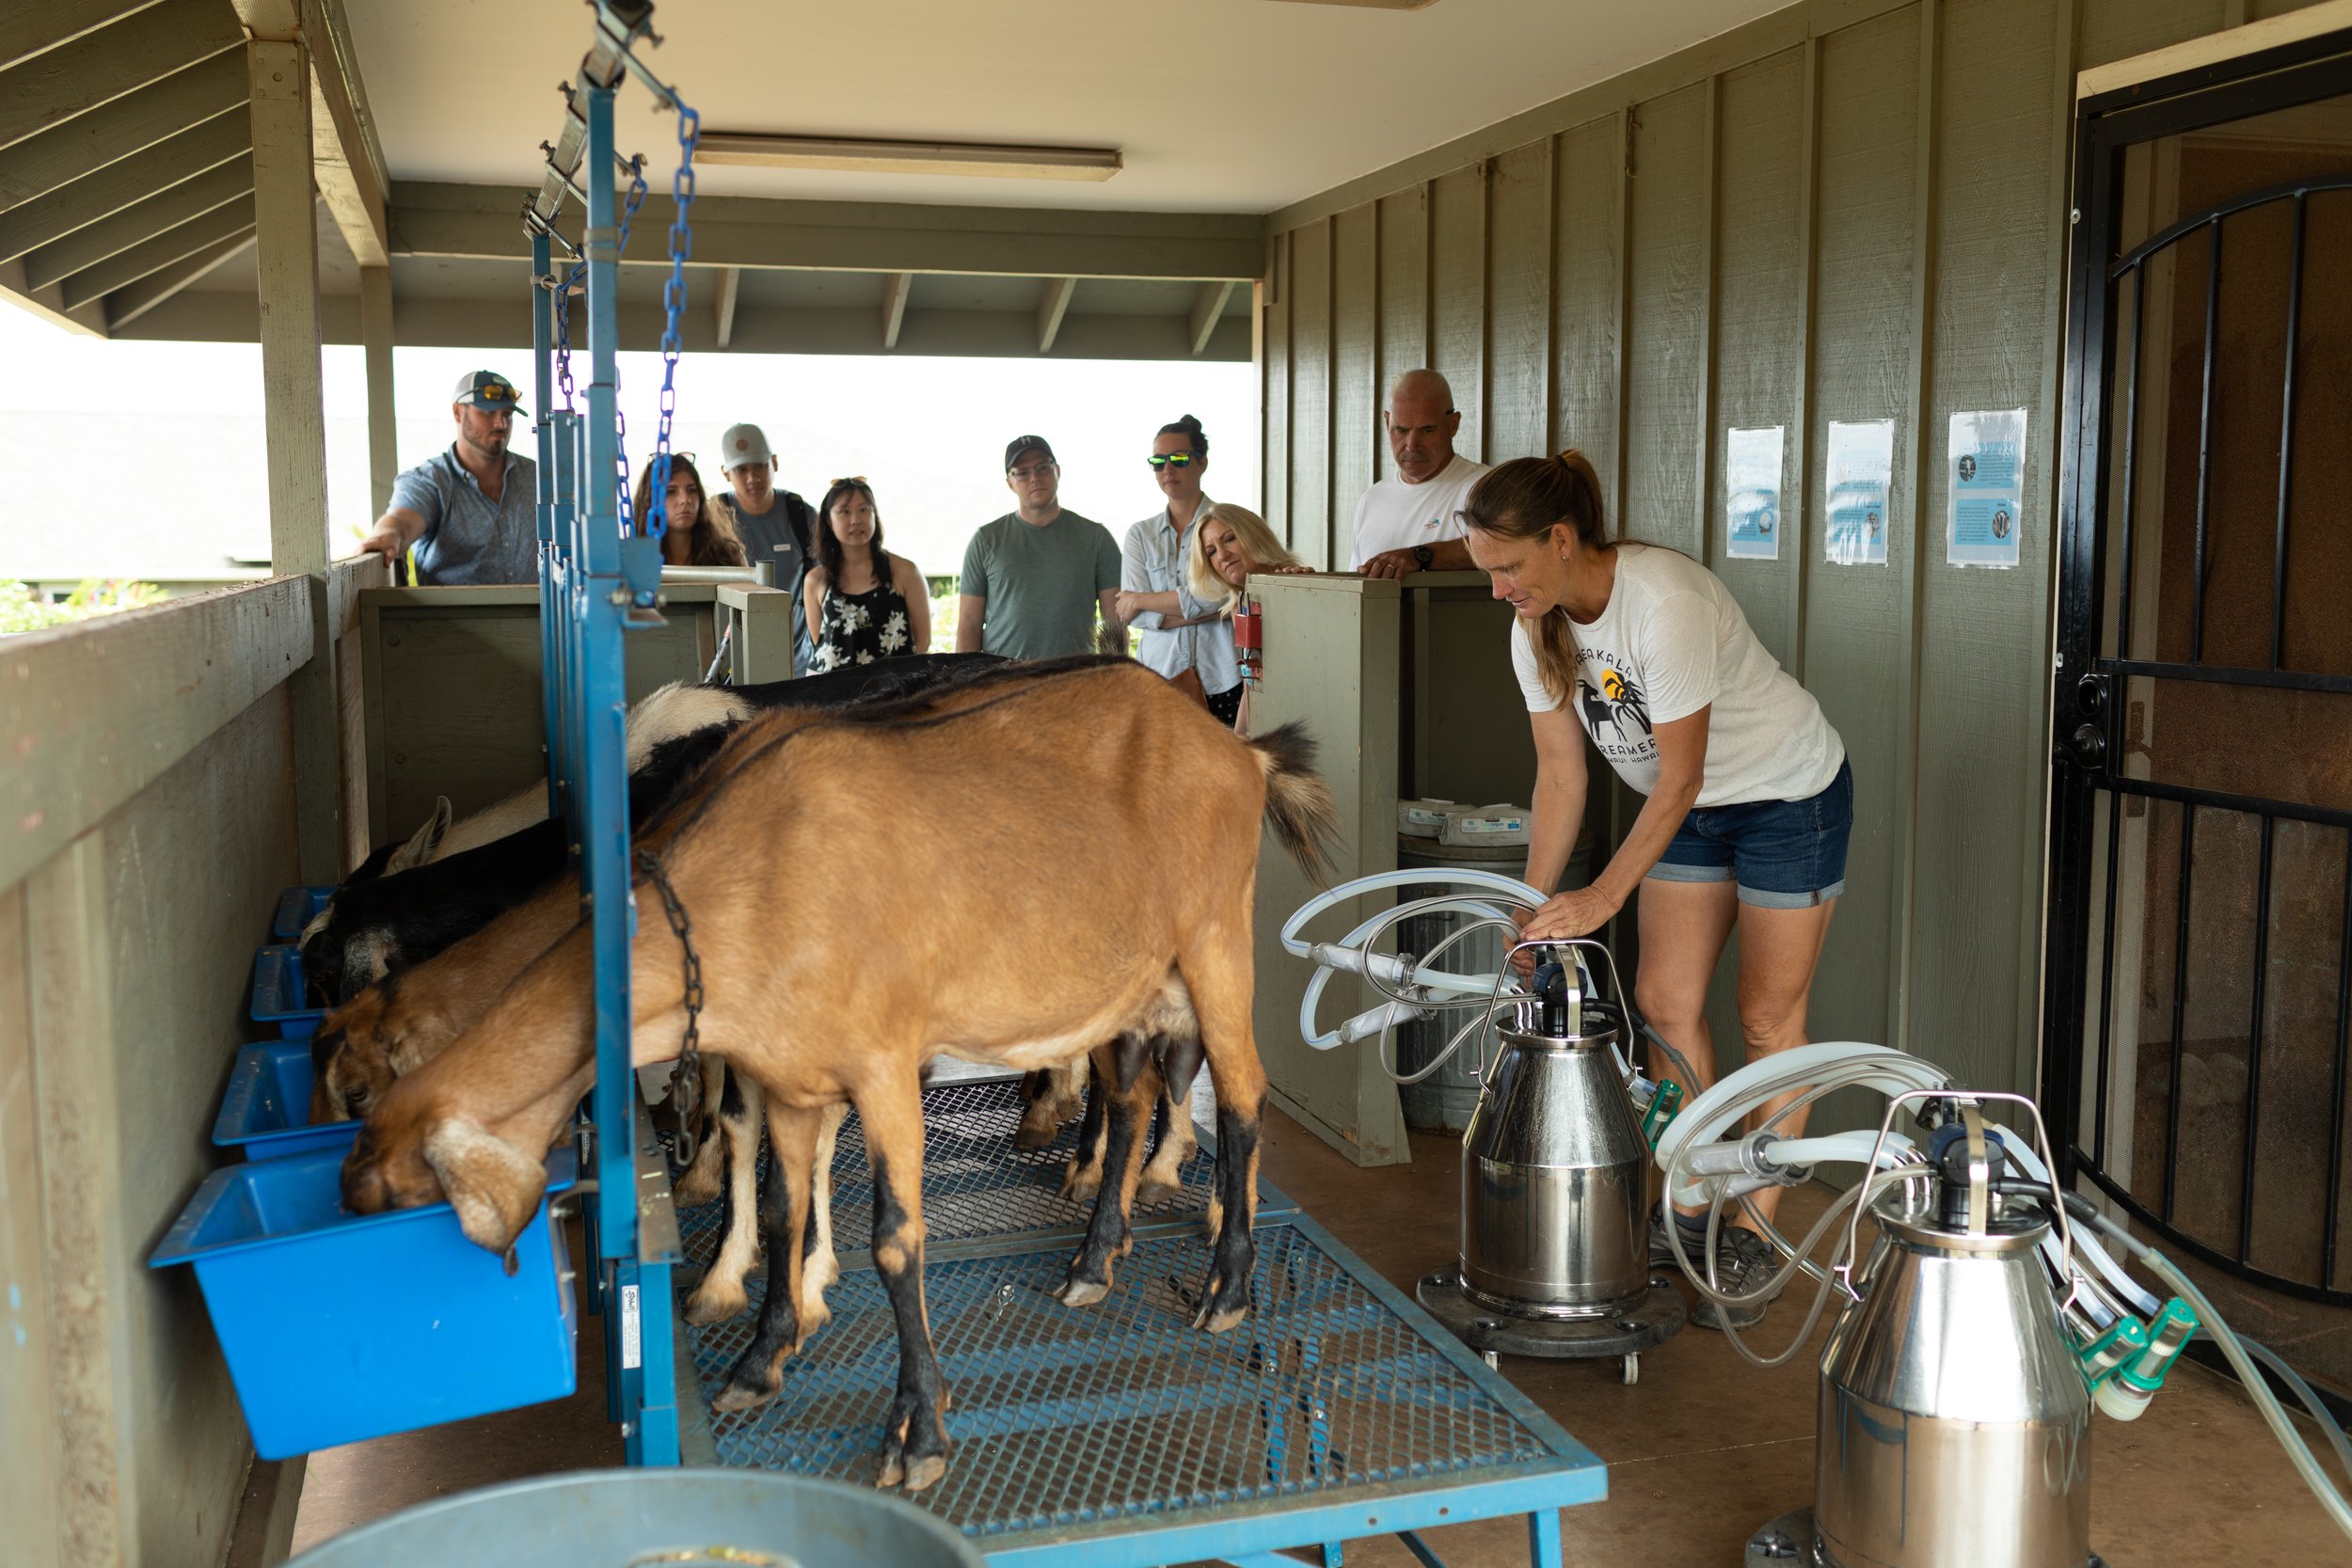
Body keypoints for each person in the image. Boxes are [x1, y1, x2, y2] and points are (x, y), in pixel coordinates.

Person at [1462, 451, 1851, 1333]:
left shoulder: (1662, 601)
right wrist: (1530, 906)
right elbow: (1560, 777)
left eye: (1509, 567)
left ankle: (1752, 1231)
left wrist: (1598, 898)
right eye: (1488, 571)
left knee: (1766, 1018)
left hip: (1787, 798)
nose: (1498, 590)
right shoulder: (1536, 624)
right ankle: (1694, 1194)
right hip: (1690, 812)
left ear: (1562, 540)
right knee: (1664, 1001)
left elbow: (1677, 779)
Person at [1114, 415, 1240, 722]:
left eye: (1179, 459)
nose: (1167, 469)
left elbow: (1229, 592)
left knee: (1225, 769)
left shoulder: (1229, 526)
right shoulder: (1139, 536)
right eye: (1158, 461)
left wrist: (1143, 599)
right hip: (1159, 678)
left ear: (1202, 462)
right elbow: (1138, 619)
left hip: (1222, 678)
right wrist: (1215, 610)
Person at [358, 371, 538, 584]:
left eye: (507, 414)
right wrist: (385, 536)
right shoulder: (429, 481)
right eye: (488, 413)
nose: (501, 424)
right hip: (455, 618)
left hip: (542, 616)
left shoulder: (539, 477)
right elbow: (402, 521)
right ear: (458, 412)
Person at [957, 435, 1124, 661]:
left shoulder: (1097, 538)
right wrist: (967, 688)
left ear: (1057, 471)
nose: (1034, 477)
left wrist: (1117, 677)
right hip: (1002, 682)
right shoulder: (985, 540)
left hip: (1076, 681)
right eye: (1022, 472)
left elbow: (1115, 621)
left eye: (1042, 467)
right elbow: (969, 624)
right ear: (1010, 483)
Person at [1349, 369, 1489, 578]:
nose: (1412, 445)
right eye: (1401, 430)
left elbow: (1504, 546)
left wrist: (1419, 556)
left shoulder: (1485, 486)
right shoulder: (1371, 500)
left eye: (1427, 430)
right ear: (1387, 422)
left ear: (1453, 425)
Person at [1184, 501, 1310, 734]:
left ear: (1254, 536)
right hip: (1274, 727)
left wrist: (1306, 586)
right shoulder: (1239, 607)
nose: (1222, 555)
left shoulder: (1296, 584)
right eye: (1211, 552)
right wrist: (1238, 744)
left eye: (1229, 538)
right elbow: (1250, 684)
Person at [708, 423, 818, 673]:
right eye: (741, 469)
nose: (752, 477)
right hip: (734, 660)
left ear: (775, 463)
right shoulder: (714, 517)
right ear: (726, 473)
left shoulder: (801, 514)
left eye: (759, 465)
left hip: (798, 662)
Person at [803, 477, 930, 670]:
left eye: (864, 510)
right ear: (829, 520)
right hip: (831, 695)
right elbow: (819, 642)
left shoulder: (905, 572)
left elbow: (923, 641)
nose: (855, 520)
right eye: (844, 512)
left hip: (895, 694)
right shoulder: (815, 580)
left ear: (874, 515)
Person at [630, 454, 745, 567]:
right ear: (650, 500)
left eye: (692, 490)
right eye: (671, 491)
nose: (685, 499)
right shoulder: (634, 557)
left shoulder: (727, 554)